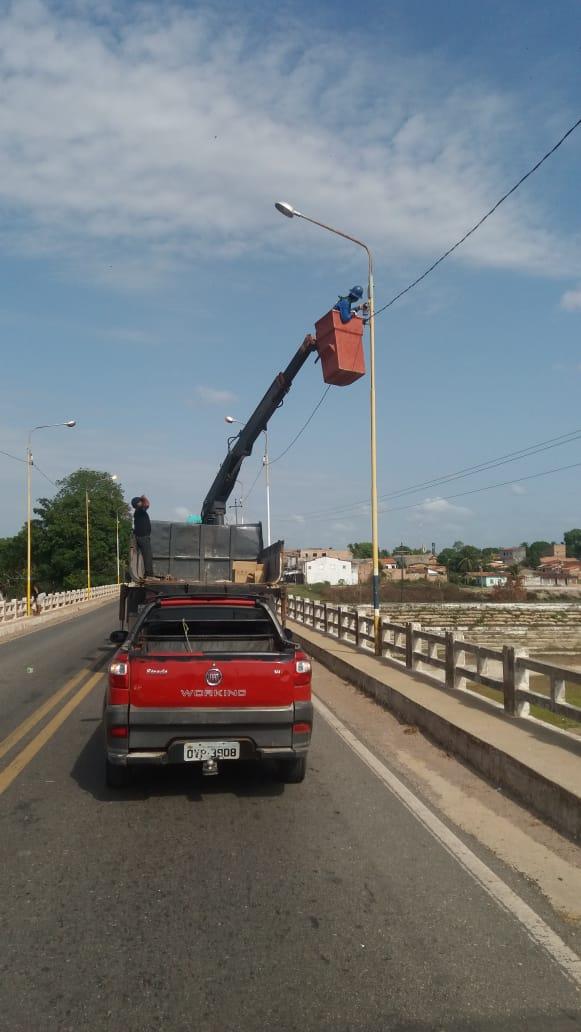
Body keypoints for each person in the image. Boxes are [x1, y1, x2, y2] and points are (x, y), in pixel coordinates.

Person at [131, 495, 154, 577]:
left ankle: (147, 574)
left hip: (141, 537)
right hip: (143, 537)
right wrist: (143, 498)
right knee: (148, 556)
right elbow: (147, 504)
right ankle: (149, 575)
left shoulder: (139, 512)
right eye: (140, 501)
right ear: (138, 504)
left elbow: (146, 505)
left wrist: (142, 499)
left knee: (145, 556)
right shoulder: (140, 510)